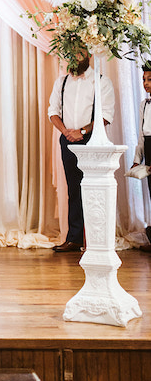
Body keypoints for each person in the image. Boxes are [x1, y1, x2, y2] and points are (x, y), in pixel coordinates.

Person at [48, 50, 115, 252]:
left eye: (78, 54)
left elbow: (106, 115)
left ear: (89, 55)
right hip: (67, 140)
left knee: (95, 189)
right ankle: (74, 238)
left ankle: (96, 241)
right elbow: (53, 111)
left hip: (92, 139)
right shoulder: (61, 82)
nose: (74, 58)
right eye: (71, 54)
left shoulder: (101, 81)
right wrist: (67, 132)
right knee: (74, 189)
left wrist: (82, 131)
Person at [130, 62, 151, 253]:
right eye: (143, 79)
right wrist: (138, 159)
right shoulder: (144, 105)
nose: (146, 83)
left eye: (150, 79)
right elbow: (142, 135)